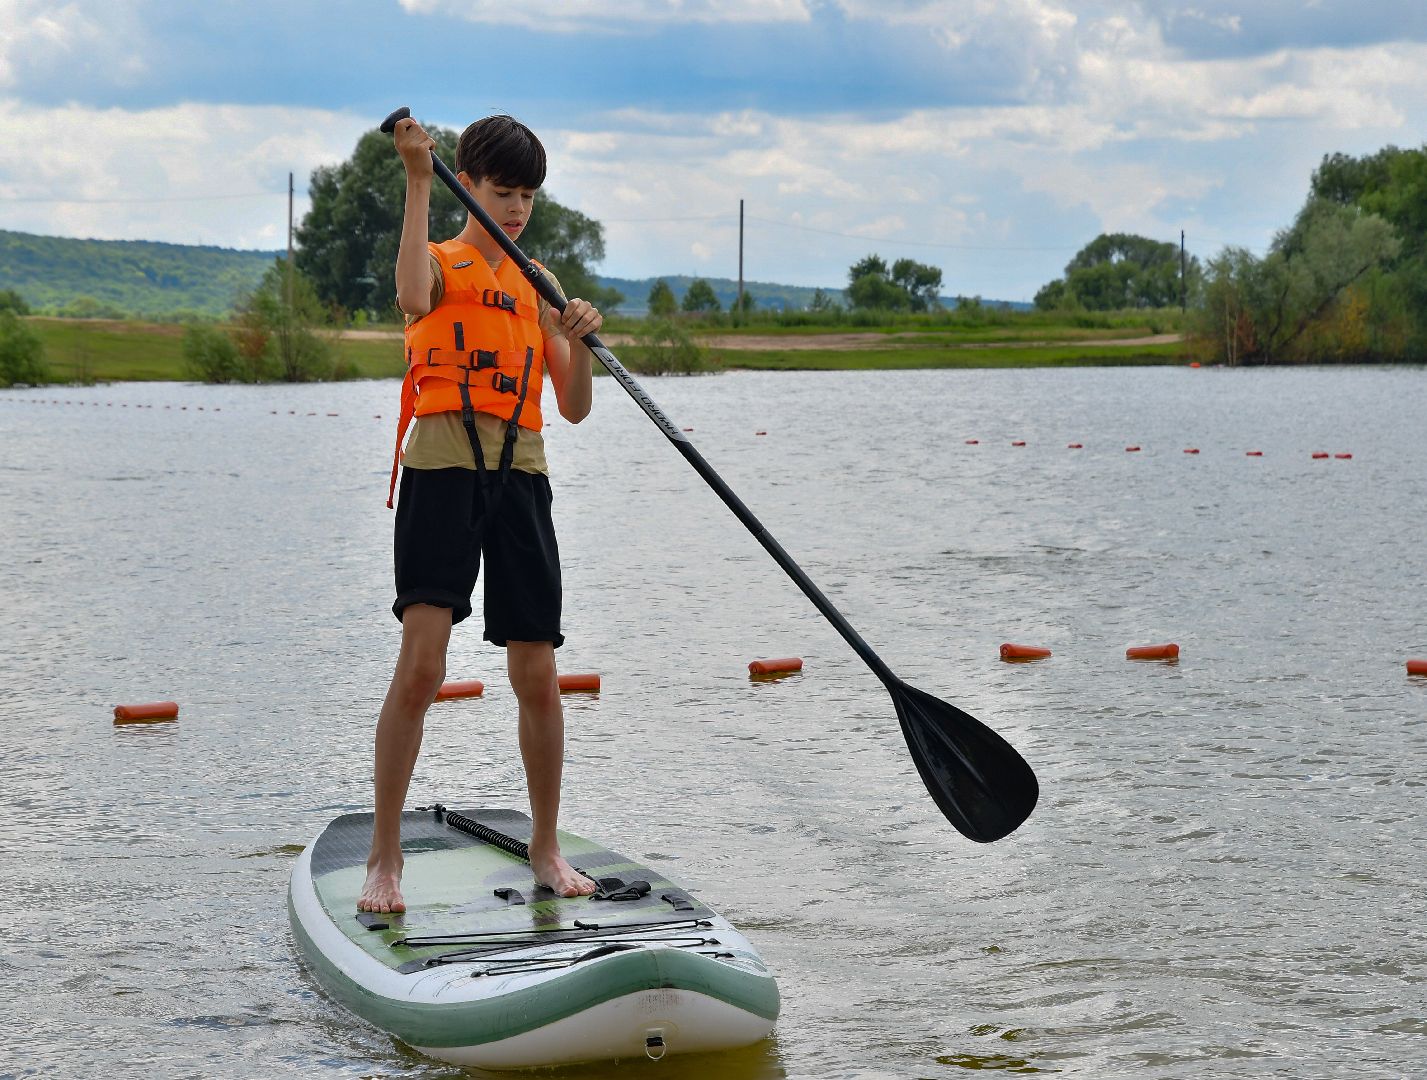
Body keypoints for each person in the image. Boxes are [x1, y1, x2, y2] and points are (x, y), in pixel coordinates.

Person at [358, 113, 602, 913]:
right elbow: (407, 294)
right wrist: (418, 177)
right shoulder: (435, 259)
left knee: (538, 670)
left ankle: (545, 847)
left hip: (520, 476)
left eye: (528, 195)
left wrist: (580, 337)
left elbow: (570, 407)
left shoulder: (539, 286)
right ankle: (385, 858)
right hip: (441, 471)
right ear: (472, 183)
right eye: (503, 191)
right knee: (423, 665)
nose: (517, 208)